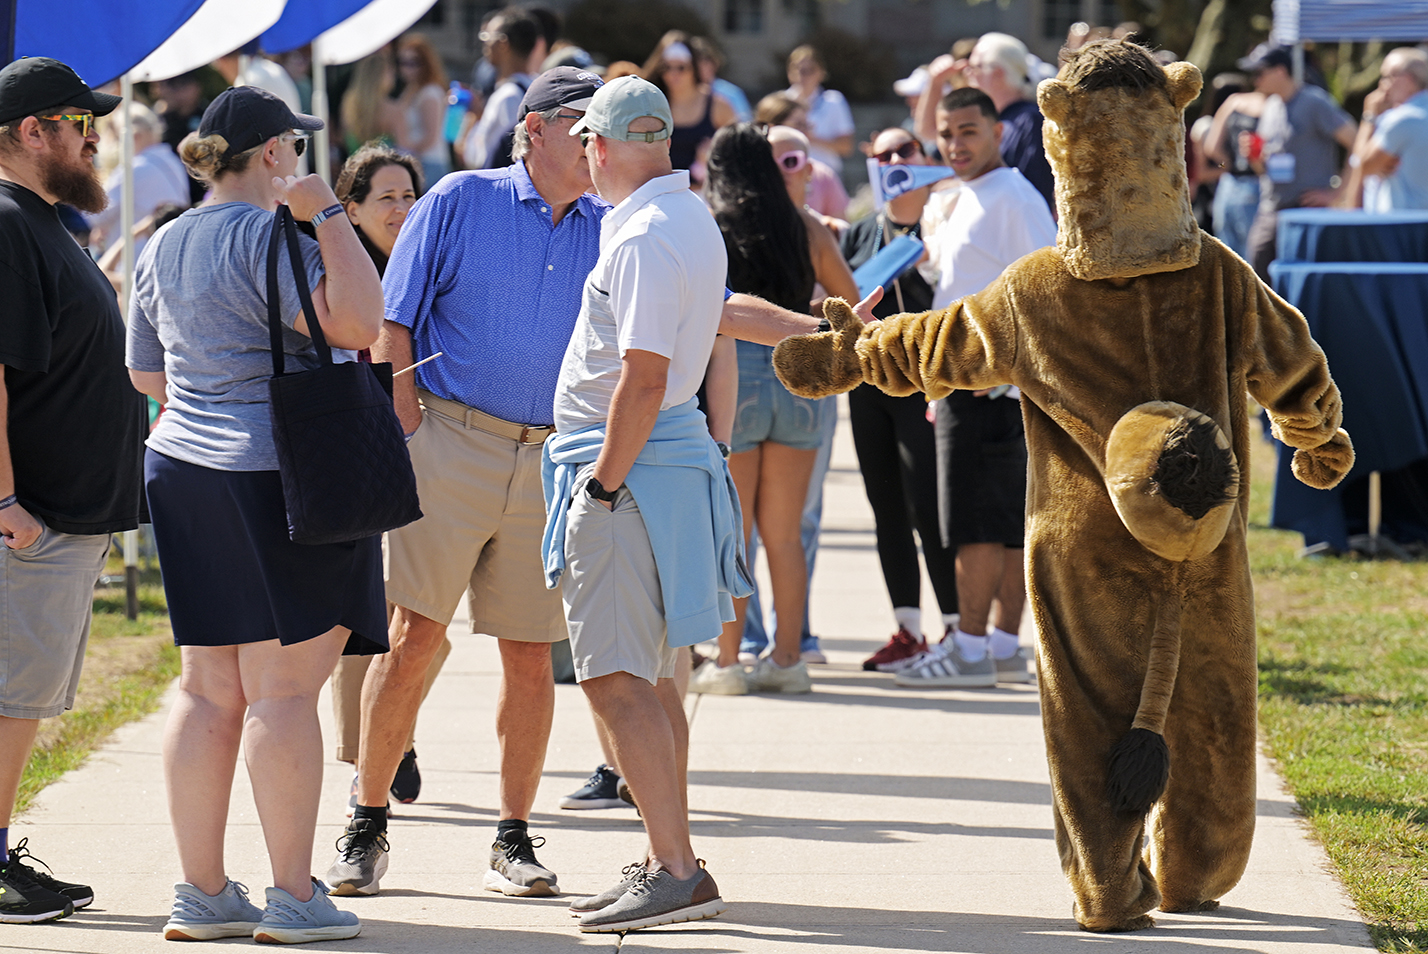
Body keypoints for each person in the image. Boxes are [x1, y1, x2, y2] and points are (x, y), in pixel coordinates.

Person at [326, 66, 607, 903]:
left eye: (604, 126)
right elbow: (395, 317)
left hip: (552, 456)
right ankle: (366, 820)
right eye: (581, 125)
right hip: (449, 440)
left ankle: (513, 838)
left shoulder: (611, 221)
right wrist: (410, 422)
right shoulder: (457, 198)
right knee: (413, 639)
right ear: (535, 130)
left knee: (529, 655)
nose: (597, 141)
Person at [126, 86, 386, 943]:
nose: (303, 160)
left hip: (183, 465)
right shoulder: (276, 232)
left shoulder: (163, 239)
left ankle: (202, 894)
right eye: (296, 147)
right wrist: (330, 220)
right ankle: (293, 895)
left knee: (206, 689)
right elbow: (360, 321)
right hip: (282, 471)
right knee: (283, 693)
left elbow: (145, 374)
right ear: (274, 153)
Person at [547, 74, 733, 934]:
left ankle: (675, 867)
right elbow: (710, 328)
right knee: (652, 680)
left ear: (608, 145)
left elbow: (646, 376)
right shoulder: (681, 215)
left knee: (616, 681)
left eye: (588, 138)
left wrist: (603, 485)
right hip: (649, 471)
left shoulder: (647, 234)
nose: (583, 151)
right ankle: (669, 856)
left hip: (629, 477)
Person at [0, 55, 145, 925]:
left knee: (21, 701)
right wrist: (6, 503)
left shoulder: (49, 223)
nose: (94, 140)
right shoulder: (9, 223)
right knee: (11, 702)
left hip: (57, 513)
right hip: (33, 517)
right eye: (78, 125)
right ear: (30, 133)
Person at [691, 123, 859, 696]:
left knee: (732, 532)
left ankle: (730, 661)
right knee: (787, 535)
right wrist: (801, 305)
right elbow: (849, 299)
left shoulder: (711, 227)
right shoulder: (806, 226)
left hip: (733, 379)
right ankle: (789, 658)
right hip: (799, 379)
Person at [895, 86, 1055, 688]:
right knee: (1000, 521)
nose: (955, 144)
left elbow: (1044, 291)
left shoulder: (1013, 196)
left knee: (974, 523)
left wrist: (1010, 375)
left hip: (988, 388)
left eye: (969, 131)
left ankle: (968, 651)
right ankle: (1003, 646)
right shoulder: (964, 195)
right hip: (971, 384)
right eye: (947, 133)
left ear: (997, 132)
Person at [326, 144, 443, 805]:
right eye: (387, 198)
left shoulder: (431, 263)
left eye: (409, 196)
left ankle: (394, 731)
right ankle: (365, 755)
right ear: (352, 209)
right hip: (356, 457)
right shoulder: (342, 271)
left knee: (423, 618)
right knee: (365, 614)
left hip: (432, 454)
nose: (401, 209)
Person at [842, 127, 961, 672]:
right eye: (882, 154)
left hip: (925, 386)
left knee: (932, 509)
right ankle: (907, 629)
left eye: (904, 151)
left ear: (925, 159)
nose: (893, 160)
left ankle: (957, 629)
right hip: (870, 388)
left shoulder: (947, 225)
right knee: (886, 506)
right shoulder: (862, 234)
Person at [1239, 43, 1356, 280]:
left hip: (1307, 211)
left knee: (1304, 283)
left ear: (1281, 71)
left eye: (1259, 73)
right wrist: (1254, 157)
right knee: (1259, 275)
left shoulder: (1314, 102)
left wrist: (1337, 194)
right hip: (1271, 208)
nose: (1255, 81)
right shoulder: (1271, 105)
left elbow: (1357, 142)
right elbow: (1264, 169)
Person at [915, 32, 1055, 210]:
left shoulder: (1030, 121)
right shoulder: (994, 117)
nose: (967, 73)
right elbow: (928, 132)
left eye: (975, 66)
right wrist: (935, 82)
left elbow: (1033, 190)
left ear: (997, 72)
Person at [87, 103, 190, 255]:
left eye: (116, 137)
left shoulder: (134, 168)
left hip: (136, 258)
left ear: (134, 136)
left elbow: (96, 214)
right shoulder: (172, 160)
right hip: (169, 251)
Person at [642, 31, 735, 181]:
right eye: (666, 67)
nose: (673, 74)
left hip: (705, 198)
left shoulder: (718, 106)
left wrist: (716, 156)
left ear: (694, 67)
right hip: (659, 196)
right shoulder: (649, 105)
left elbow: (738, 153)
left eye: (681, 67)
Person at [1345, 47, 1428, 211]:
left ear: (1408, 79)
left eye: (1388, 77)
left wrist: (1369, 116)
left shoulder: (1403, 119)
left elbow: (1362, 165)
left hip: (1402, 225)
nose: (1382, 85)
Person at [461, 9, 538, 171]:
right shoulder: (537, 86)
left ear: (503, 44)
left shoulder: (507, 96)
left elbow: (484, 156)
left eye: (487, 37)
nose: (485, 44)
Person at [752, 93, 847, 220]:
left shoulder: (823, 175)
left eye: (807, 125)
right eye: (799, 125)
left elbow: (841, 233)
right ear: (770, 128)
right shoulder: (749, 173)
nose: (807, 133)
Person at [1203, 75, 1264, 259]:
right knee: (1252, 255)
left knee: (1228, 255)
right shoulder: (1271, 105)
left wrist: (1225, 165)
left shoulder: (1233, 103)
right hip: (1255, 183)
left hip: (1228, 185)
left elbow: (1212, 147)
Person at [390, 34, 452, 186]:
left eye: (413, 63)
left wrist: (405, 151)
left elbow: (430, 138)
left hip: (429, 164)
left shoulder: (430, 92)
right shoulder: (411, 90)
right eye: (402, 62)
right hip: (417, 163)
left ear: (426, 64)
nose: (406, 68)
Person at [785, 46, 854, 174]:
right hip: (790, 176)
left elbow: (846, 147)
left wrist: (811, 139)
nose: (803, 75)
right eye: (798, 69)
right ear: (790, 73)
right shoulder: (781, 102)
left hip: (825, 176)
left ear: (821, 73)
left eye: (809, 70)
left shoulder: (833, 101)